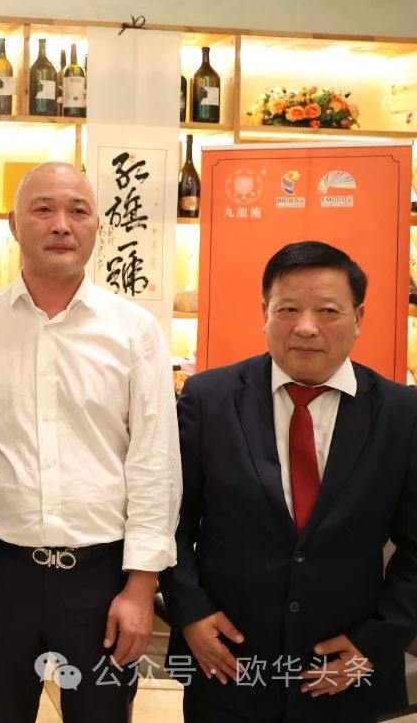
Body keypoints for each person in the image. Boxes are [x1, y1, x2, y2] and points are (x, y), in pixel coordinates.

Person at [0, 161, 180, 723]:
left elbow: (154, 461)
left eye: (78, 211)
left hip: (102, 577)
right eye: (43, 209)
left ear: (97, 225)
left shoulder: (134, 330)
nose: (61, 224)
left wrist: (141, 587)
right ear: (13, 224)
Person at [161, 241, 417, 723]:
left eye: (328, 311)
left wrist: (377, 641)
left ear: (359, 317)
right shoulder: (209, 399)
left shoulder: (402, 412)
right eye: (288, 309)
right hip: (229, 665)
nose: (306, 327)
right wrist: (189, 613)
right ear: (264, 313)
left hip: (346, 671)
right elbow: (169, 521)